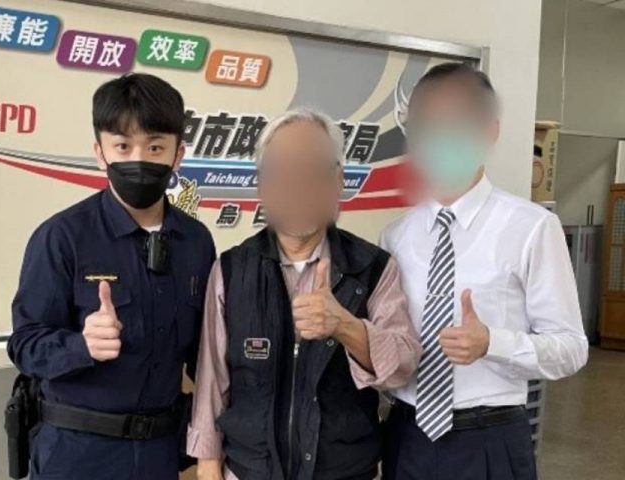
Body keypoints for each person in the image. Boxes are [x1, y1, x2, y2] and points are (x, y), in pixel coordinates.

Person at [187, 107, 421, 480]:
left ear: (337, 181)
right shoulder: (232, 269)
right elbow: (212, 379)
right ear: (262, 185)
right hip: (249, 471)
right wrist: (208, 465)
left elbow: (402, 368)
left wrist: (346, 326)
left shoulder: (373, 267)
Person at [380, 62, 588, 480]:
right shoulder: (396, 236)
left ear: (489, 131)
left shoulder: (531, 228)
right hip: (406, 434)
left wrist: (493, 342)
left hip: (489, 438)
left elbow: (571, 348)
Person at [7, 73, 216, 479]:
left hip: (159, 453)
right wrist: (81, 345)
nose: (139, 159)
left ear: (177, 155)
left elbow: (206, 356)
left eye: (155, 147)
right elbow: (25, 343)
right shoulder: (62, 237)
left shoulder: (195, 242)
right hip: (76, 455)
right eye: (123, 146)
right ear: (100, 153)